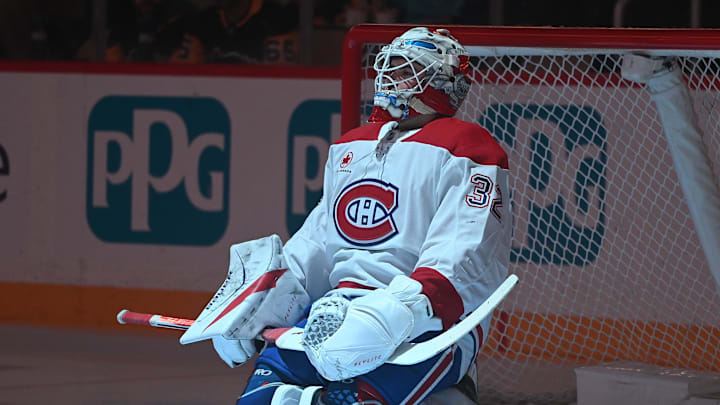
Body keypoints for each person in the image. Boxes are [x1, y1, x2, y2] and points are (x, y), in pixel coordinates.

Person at [207, 27, 512, 404]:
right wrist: (264, 299)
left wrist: (402, 309)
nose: (389, 78)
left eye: (406, 69)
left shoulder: (467, 146)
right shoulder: (353, 145)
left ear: (441, 83)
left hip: (422, 329)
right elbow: (319, 239)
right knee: (258, 399)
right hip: (331, 317)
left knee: (355, 399)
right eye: (390, 66)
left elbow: (466, 248)